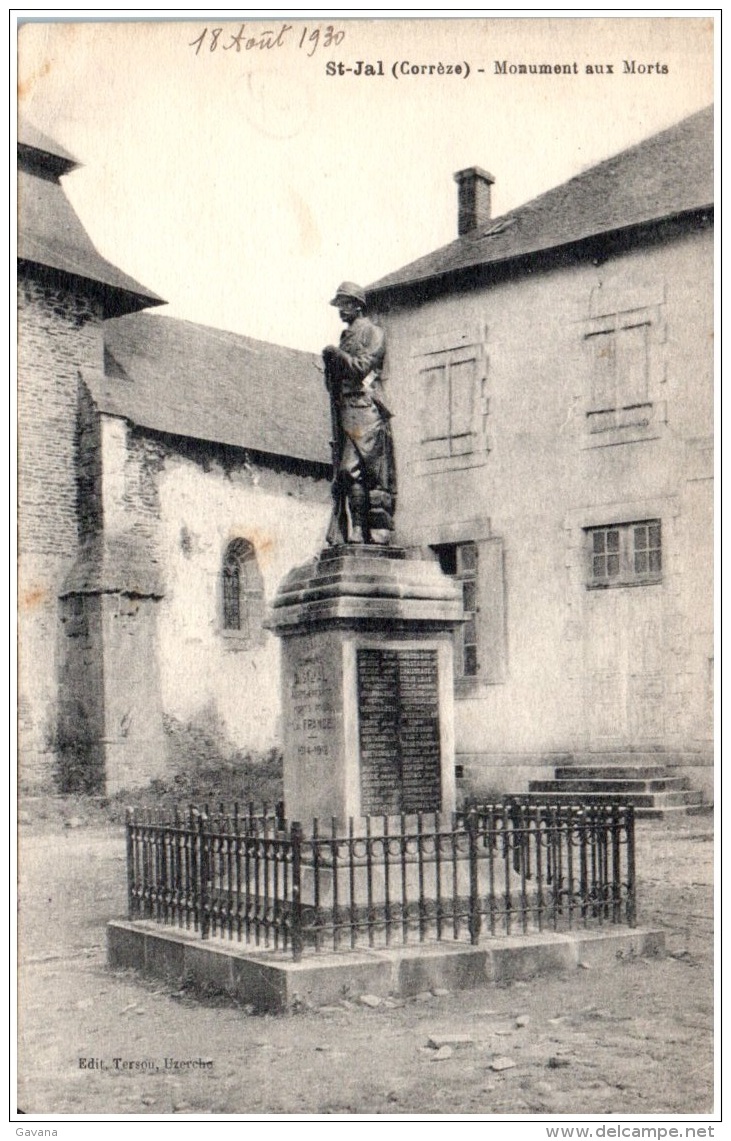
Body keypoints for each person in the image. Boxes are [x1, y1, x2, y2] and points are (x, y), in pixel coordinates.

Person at [322, 282, 396, 545]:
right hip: (346, 411)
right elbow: (337, 381)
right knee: (348, 474)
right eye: (339, 305)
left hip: (366, 411)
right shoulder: (346, 337)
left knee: (357, 470)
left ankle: (363, 529)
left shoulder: (374, 333)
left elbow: (362, 367)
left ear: (357, 305)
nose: (340, 310)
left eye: (344, 304)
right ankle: (355, 530)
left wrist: (337, 356)